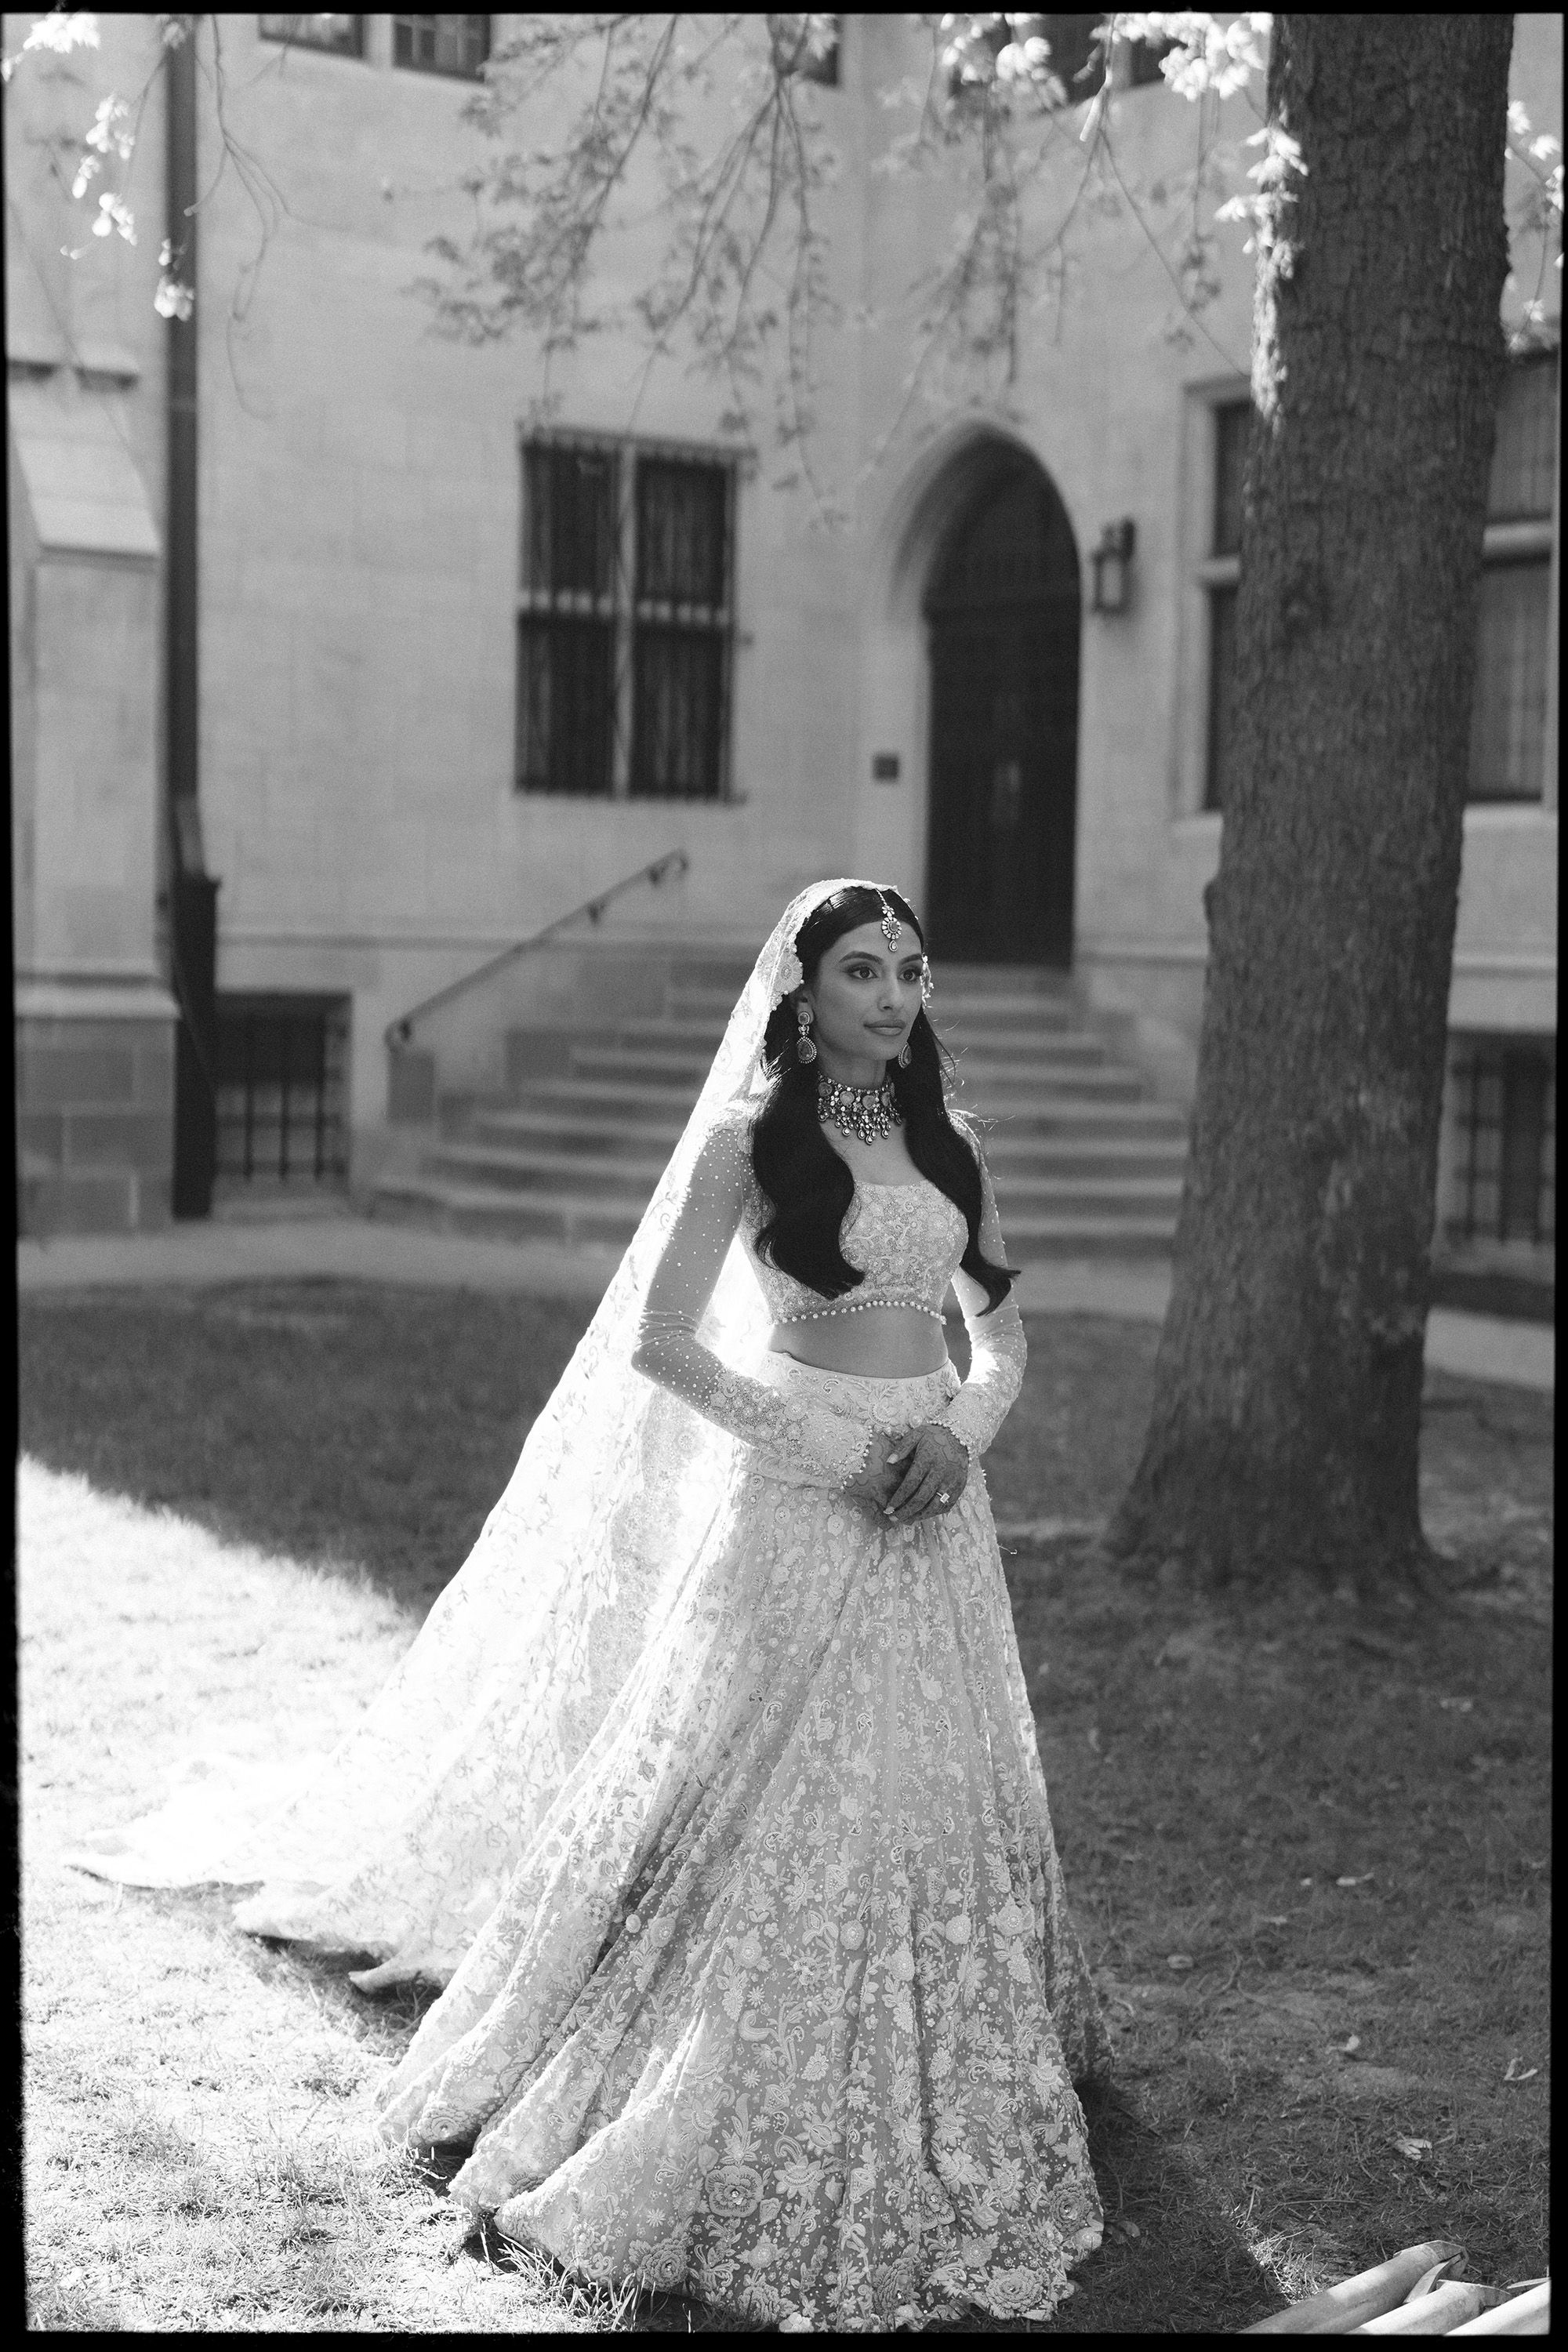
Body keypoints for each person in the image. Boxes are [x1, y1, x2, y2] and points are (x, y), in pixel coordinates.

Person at [68, 878, 1107, 2331]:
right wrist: (833, 1452)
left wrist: (958, 1437)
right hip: (802, 1494)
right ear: (803, 994)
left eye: (911, 971)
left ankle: (947, 2035)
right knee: (769, 1792)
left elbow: (1001, 1339)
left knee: (927, 1778)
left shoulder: (947, 1139)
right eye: (863, 971)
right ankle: (713, 2055)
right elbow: (664, 1341)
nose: (893, 996)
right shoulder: (752, 1144)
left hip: (935, 1505)